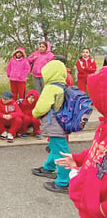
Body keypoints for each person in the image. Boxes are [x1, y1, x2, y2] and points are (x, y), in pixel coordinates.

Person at [55, 66, 107, 217]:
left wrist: (100, 210)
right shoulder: (104, 124)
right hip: (90, 205)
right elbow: (99, 149)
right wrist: (79, 159)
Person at [31, 60, 70, 194]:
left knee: (61, 151)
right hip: (63, 124)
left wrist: (34, 113)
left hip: (54, 125)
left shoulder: (51, 88)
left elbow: (41, 108)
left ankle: (63, 182)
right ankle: (49, 167)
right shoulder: (64, 86)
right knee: (55, 147)